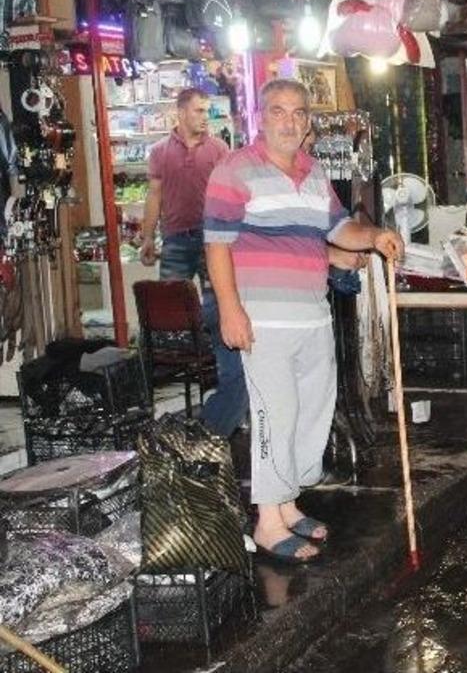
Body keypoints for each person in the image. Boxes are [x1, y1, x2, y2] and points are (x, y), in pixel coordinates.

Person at [204, 79, 403, 563]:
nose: (289, 121)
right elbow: (217, 244)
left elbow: (338, 230)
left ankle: (288, 505)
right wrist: (231, 310)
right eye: (278, 111)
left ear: (308, 121)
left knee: (313, 412)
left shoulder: (314, 173)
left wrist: (375, 236)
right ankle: (268, 522)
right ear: (260, 116)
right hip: (263, 320)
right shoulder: (235, 170)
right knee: (278, 416)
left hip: (313, 315)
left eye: (298, 113)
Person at [139, 88, 247, 438]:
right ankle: (148, 392)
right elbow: (153, 196)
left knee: (219, 311)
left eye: (207, 111)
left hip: (212, 239)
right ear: (181, 112)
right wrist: (146, 237)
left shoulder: (219, 150)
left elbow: (235, 195)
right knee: (166, 316)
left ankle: (228, 383)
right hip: (174, 238)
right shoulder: (159, 152)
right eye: (199, 111)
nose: (205, 116)